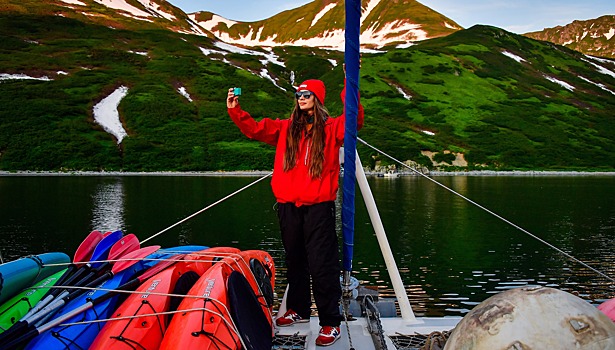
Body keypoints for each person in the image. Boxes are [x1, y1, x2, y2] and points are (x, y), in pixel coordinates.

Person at [226, 76, 364, 346]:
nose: (301, 98)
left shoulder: (332, 127)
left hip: (318, 208)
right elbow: (254, 129)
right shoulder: (286, 128)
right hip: (288, 206)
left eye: (306, 94)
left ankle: (330, 322)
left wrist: (348, 82)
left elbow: (354, 119)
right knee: (296, 260)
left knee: (322, 264)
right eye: (298, 94)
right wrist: (235, 110)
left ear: (318, 98)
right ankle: (299, 310)